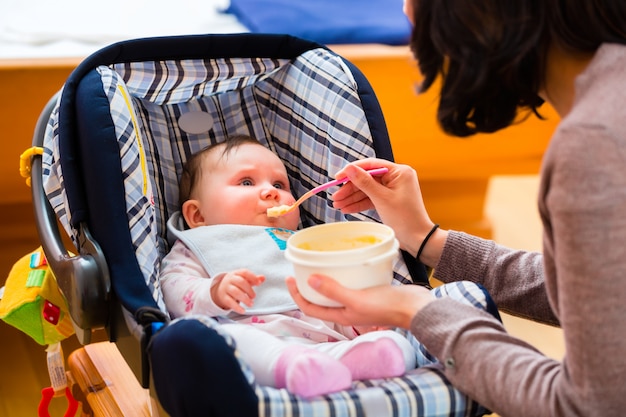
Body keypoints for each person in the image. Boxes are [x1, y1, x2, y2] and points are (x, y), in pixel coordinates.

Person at [285, 0, 626, 416]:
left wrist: (419, 310)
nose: (406, 12)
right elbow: (602, 292)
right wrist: (426, 239)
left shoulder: (597, 144)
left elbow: (591, 405)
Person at [159, 134, 416, 398]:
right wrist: (213, 292)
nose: (272, 192)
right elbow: (173, 289)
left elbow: (333, 298)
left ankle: (352, 363)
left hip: (321, 345)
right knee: (225, 340)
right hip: (256, 345)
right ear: (198, 215)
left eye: (280, 184)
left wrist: (361, 324)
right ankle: (289, 367)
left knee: (395, 342)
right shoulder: (199, 245)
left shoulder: (304, 245)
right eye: (246, 182)